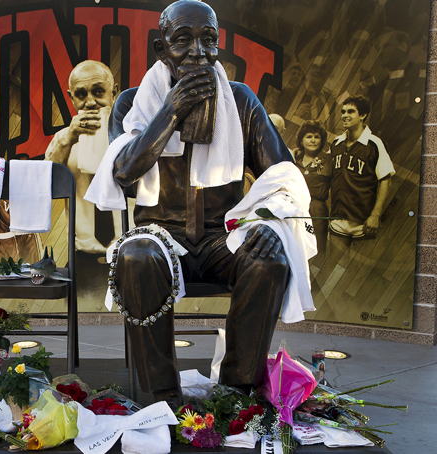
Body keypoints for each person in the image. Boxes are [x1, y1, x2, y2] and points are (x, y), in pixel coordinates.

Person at [88, 0, 294, 406]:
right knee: (135, 256)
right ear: (160, 46)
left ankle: (237, 393)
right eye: (183, 39)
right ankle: (159, 396)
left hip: (224, 236)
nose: (198, 51)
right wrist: (172, 111)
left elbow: (282, 177)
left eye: (209, 40)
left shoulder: (241, 101)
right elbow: (124, 174)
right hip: (160, 235)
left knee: (270, 258)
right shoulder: (133, 103)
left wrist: (270, 225)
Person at [45, 60, 120, 254]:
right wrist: (68, 139)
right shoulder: (63, 139)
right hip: (83, 251)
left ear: (114, 93)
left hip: (129, 249)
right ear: (71, 98)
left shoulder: (131, 134)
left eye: (98, 92)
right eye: (81, 95)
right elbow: (47, 188)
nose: (90, 102)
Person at [329, 95, 394, 239]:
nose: (345, 115)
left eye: (350, 111)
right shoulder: (336, 143)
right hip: (336, 221)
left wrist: (375, 215)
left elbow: (385, 180)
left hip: (363, 223)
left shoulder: (374, 144)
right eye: (343, 111)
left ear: (363, 115)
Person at [293, 120, 332, 255]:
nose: (313, 140)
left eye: (317, 137)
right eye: (309, 136)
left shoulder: (328, 160)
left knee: (316, 249)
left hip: (317, 210)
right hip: (294, 209)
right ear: (301, 140)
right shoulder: (294, 160)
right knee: (294, 247)